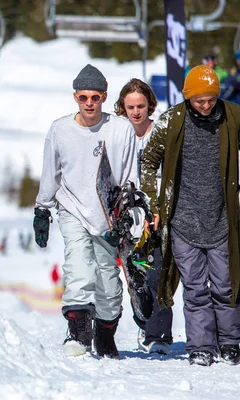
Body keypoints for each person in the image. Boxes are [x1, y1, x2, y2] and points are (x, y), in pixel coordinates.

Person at [33, 64, 136, 359]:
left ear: (104, 97)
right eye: (83, 97)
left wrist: (130, 211)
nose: (89, 103)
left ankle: (104, 335)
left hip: (106, 214)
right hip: (72, 208)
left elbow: (129, 175)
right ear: (75, 97)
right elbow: (50, 174)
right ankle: (78, 335)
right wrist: (42, 208)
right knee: (79, 268)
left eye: (95, 97)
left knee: (109, 283)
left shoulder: (119, 128)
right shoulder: (60, 130)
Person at [140, 65, 240, 366]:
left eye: (211, 99)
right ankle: (201, 346)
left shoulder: (233, 117)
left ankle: (231, 342)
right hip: (183, 220)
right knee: (196, 289)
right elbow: (148, 161)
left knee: (226, 285)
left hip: (222, 218)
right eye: (200, 100)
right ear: (188, 98)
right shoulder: (172, 121)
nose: (206, 105)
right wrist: (154, 204)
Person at [114, 78, 173, 355]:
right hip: (127, 214)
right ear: (122, 108)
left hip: (157, 213)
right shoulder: (117, 132)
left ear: (150, 104)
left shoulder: (160, 131)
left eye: (141, 106)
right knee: (135, 277)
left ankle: (157, 335)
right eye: (130, 107)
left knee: (157, 273)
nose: (136, 112)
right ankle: (143, 320)